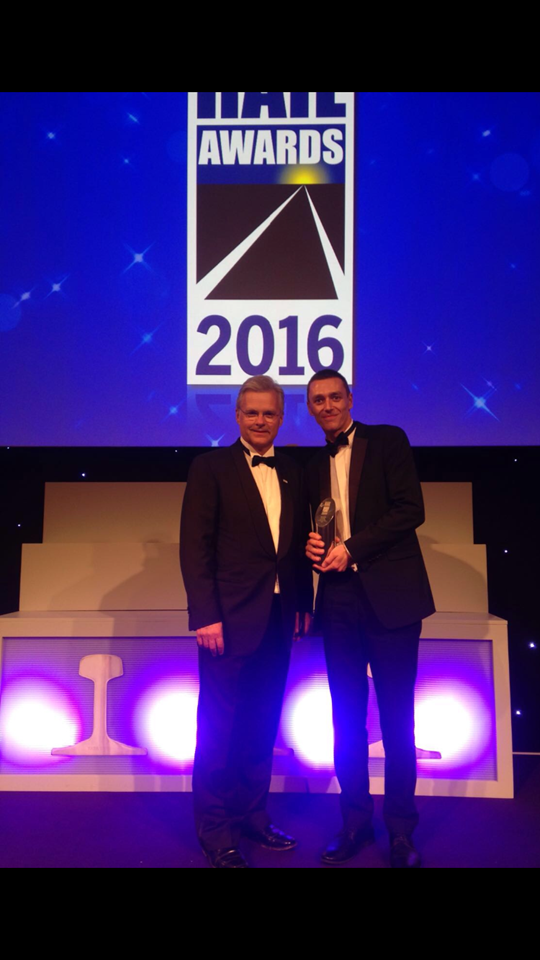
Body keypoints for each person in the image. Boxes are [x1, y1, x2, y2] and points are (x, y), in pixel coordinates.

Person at [180, 375, 312, 868]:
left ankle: (253, 817)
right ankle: (215, 832)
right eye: (252, 413)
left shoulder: (292, 472)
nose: (261, 421)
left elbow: (295, 550)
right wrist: (206, 615)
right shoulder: (209, 467)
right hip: (227, 623)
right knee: (218, 728)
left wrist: (302, 604)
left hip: (278, 620)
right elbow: (195, 546)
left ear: (281, 417)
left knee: (261, 724)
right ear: (237, 417)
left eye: (269, 413)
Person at [305, 369, 435, 868]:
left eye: (335, 396)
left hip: (392, 599)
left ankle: (401, 831)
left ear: (350, 399)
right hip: (338, 601)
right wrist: (313, 545)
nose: (328, 405)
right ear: (311, 408)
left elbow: (410, 510)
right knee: (345, 719)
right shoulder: (314, 463)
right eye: (318, 400)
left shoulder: (388, 441)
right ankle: (354, 824)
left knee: (399, 719)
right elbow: (313, 527)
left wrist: (352, 549)